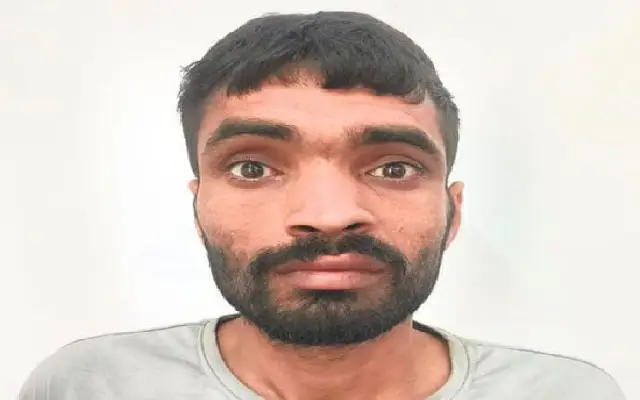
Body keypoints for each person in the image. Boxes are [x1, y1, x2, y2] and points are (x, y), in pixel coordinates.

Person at [19, 11, 626, 400]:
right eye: (253, 168)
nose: (330, 214)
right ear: (198, 207)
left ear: (453, 213)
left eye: (393, 168)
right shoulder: (89, 386)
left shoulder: (568, 394)